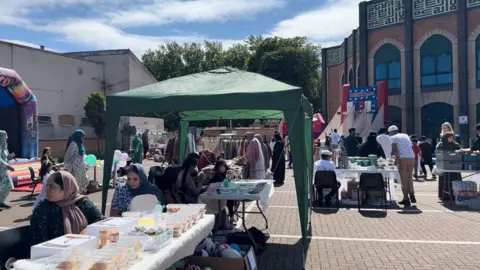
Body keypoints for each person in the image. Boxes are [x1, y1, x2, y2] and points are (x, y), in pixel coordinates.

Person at [30, 171, 103, 244]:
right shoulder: (45, 206)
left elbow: (101, 222)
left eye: (51, 186)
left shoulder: (82, 203)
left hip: (83, 248)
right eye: (47, 186)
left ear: (66, 188)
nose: (46, 190)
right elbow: (39, 238)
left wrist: (86, 230)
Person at [388, 125, 416, 206]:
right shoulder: (405, 135)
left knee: (403, 179)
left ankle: (406, 199)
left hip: (402, 159)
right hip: (412, 157)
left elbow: (395, 150)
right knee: (409, 177)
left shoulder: (393, 138)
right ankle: (412, 194)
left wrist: (395, 160)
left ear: (391, 132)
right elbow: (410, 146)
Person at [63, 130, 89, 194]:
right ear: (77, 136)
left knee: (83, 182)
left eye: (84, 137)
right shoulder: (73, 144)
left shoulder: (81, 144)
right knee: (75, 183)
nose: (83, 138)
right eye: (82, 136)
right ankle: (76, 197)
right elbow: (67, 156)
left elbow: (82, 156)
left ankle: (79, 195)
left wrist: (86, 165)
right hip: (75, 168)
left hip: (81, 168)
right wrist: (66, 167)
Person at [0, 131, 15, 210]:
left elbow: (5, 157)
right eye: (6, 136)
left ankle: (2, 201)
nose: (7, 137)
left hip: (4, 171)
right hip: (1, 171)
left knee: (8, 186)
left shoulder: (4, 146)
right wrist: (8, 165)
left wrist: (9, 157)